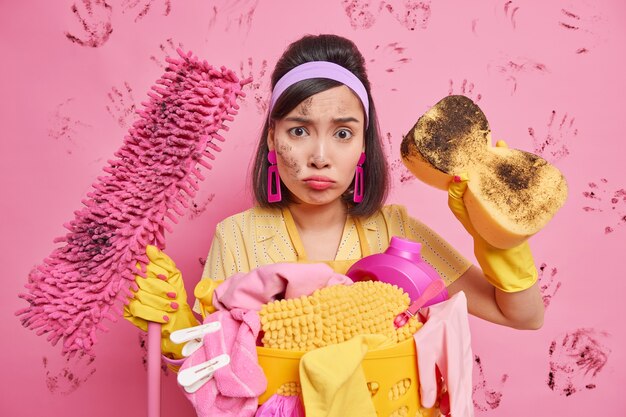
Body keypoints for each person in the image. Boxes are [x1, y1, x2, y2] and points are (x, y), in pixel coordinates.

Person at [123, 34, 544, 362]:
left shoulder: (395, 231)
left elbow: (521, 316)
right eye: (299, 131)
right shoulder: (237, 237)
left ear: (363, 145)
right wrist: (178, 331)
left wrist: (499, 239)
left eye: (342, 133)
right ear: (272, 138)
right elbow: (215, 368)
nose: (320, 157)